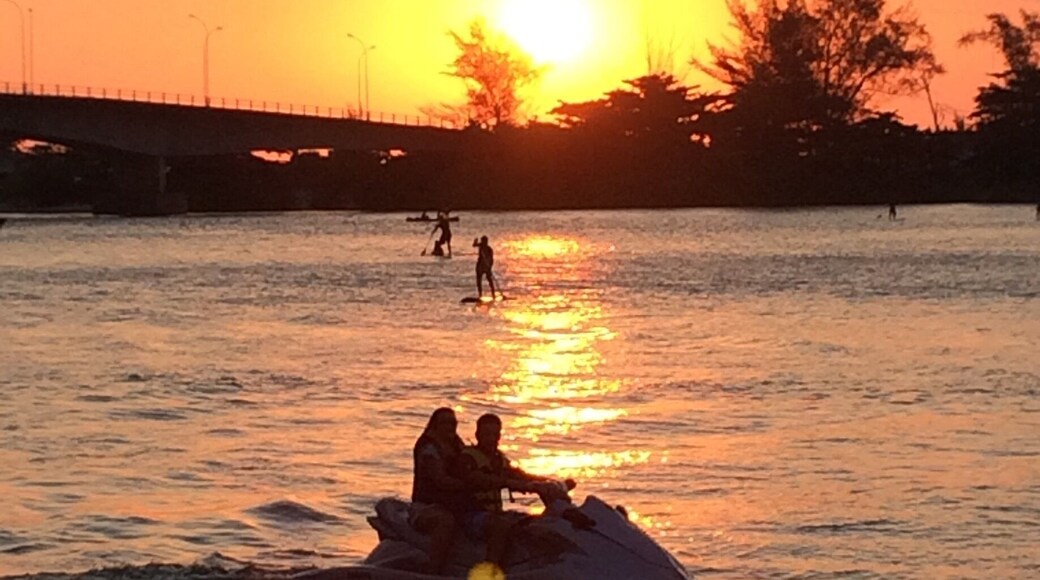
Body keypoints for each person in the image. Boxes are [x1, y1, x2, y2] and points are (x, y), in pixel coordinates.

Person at [456, 414, 591, 566]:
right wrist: (520, 486)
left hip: (495, 512)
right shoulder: (467, 458)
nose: (491, 439)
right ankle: (490, 569)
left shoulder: (499, 459)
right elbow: (479, 479)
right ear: (477, 435)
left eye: (495, 434)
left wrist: (547, 483)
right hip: (471, 515)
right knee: (501, 525)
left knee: (533, 523)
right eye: (487, 434)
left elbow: (519, 476)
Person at [410, 407, 473, 574]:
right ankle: (434, 570)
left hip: (452, 504)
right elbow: (440, 480)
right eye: (445, 423)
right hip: (426, 506)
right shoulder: (428, 448)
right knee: (445, 522)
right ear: (435, 425)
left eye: (453, 423)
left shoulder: (456, 445)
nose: (450, 426)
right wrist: (470, 485)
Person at [473, 235, 499, 300]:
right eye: (482, 241)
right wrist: (475, 241)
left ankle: (493, 294)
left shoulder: (489, 249)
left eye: (484, 242)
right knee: (479, 280)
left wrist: (489, 267)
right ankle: (480, 295)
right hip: (480, 265)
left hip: (486, 266)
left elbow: (491, 259)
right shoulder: (481, 246)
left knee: (489, 280)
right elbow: (474, 245)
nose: (483, 243)